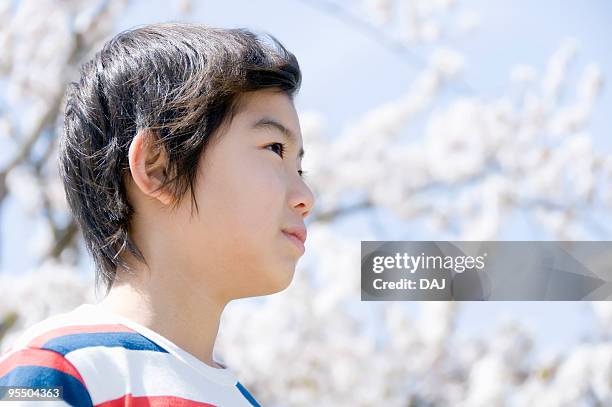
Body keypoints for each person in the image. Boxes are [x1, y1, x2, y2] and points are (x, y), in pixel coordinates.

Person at [0, 22, 314, 406]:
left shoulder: (244, 400)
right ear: (157, 167)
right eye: (275, 148)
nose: (305, 197)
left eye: (300, 169)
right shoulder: (56, 369)